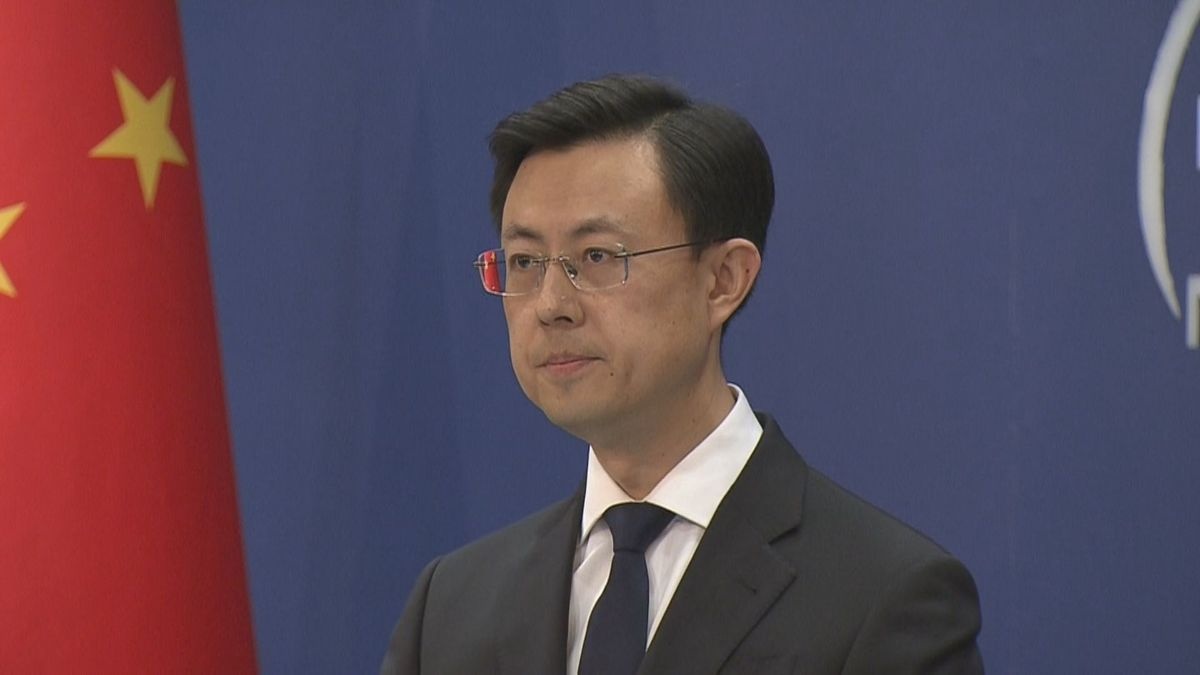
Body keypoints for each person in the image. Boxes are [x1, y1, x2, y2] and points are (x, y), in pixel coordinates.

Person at [381, 74, 983, 675]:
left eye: (597, 256)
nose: (550, 304)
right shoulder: (453, 605)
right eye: (525, 261)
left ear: (724, 280)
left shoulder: (883, 598)